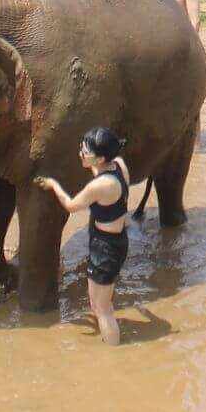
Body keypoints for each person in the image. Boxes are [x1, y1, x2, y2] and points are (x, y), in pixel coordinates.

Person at [34, 128, 132, 345]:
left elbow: (70, 204)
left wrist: (54, 185)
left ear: (99, 158)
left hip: (106, 249)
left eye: (85, 151)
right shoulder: (118, 165)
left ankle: (115, 357)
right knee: (97, 302)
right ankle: (107, 339)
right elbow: (102, 175)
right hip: (110, 241)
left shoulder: (99, 186)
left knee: (103, 308)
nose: (80, 153)